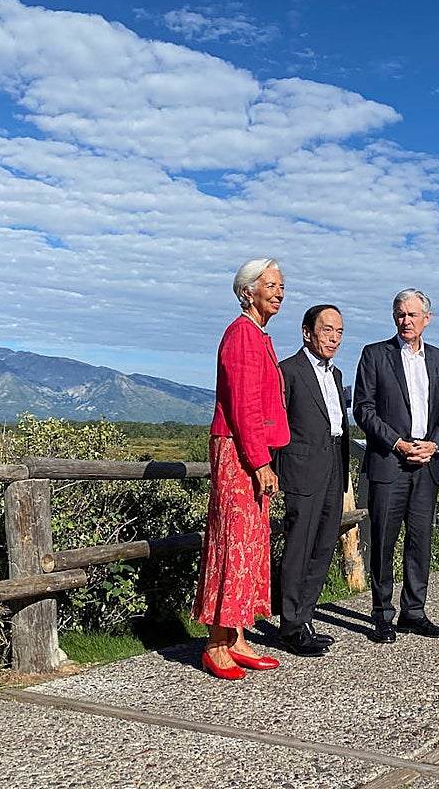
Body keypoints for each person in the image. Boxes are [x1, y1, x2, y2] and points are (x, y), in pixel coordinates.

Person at [192, 258, 290, 680]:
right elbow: (243, 406)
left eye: (281, 286)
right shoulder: (241, 335)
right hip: (238, 450)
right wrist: (260, 461)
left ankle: (236, 637)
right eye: (270, 285)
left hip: (248, 449)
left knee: (250, 543)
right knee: (233, 542)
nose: (279, 292)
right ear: (247, 291)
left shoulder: (257, 334)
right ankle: (216, 644)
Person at [353, 288, 439, 643]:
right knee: (383, 541)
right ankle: (382, 615)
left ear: (427, 318)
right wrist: (396, 442)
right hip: (389, 462)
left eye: (412, 315)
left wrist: (435, 445)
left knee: (420, 541)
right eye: (400, 314)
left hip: (427, 463)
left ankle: (414, 612)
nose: (405, 320)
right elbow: (363, 409)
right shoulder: (374, 354)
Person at [274, 304, 349, 657]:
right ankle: (290, 626)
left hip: (334, 462)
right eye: (327, 330)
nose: (334, 338)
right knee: (299, 547)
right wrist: (272, 469)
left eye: (339, 332)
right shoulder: (288, 370)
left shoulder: (336, 374)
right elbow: (276, 423)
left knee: (323, 546)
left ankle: (305, 619)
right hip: (302, 467)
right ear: (307, 332)